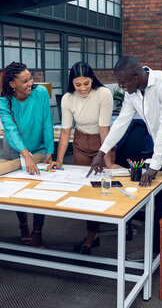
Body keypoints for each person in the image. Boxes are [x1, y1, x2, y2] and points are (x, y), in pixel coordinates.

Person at [87, 56, 162, 274]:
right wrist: (102, 152)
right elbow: (122, 121)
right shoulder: (132, 92)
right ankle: (156, 251)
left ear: (137, 75)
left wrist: (154, 166)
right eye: (118, 82)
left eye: (123, 82)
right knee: (158, 203)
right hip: (161, 153)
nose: (121, 87)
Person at [49, 61, 119, 254]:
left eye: (86, 83)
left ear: (92, 79)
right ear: (71, 82)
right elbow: (65, 132)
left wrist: (108, 161)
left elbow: (105, 129)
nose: (82, 88)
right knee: (86, 189)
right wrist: (60, 161)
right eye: (77, 84)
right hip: (80, 142)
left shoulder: (103, 94)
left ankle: (106, 226)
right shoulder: (67, 99)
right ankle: (92, 233)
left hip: (102, 142)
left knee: (103, 187)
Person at [0, 62, 54, 248]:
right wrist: (26, 155)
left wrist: (50, 150)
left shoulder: (41, 93)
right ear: (12, 84)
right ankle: (23, 227)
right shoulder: (3, 102)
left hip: (38, 148)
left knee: (40, 191)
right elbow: (11, 131)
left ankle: (38, 232)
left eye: (31, 78)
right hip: (15, 149)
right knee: (19, 191)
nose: (31, 83)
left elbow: (47, 122)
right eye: (25, 81)